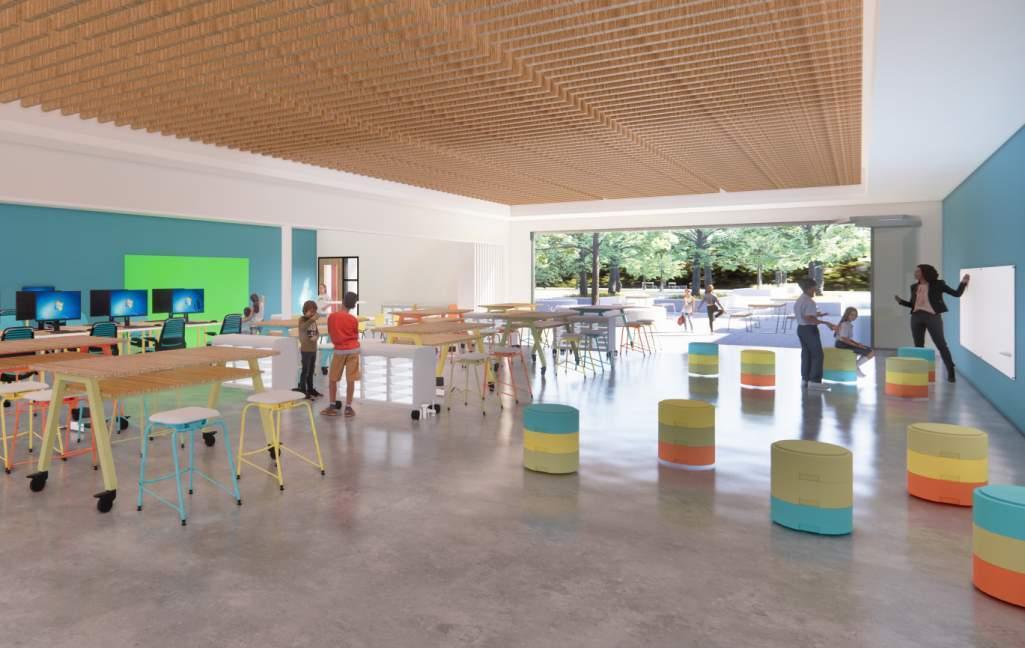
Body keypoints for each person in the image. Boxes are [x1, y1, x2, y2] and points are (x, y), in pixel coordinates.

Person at [894, 264, 970, 382]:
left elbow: (956, 294)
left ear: (925, 273)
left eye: (918, 271)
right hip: (916, 317)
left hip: (932, 317)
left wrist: (963, 283)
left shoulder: (938, 284)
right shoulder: (914, 286)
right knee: (918, 346)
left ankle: (950, 371)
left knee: (941, 345)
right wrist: (901, 302)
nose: (915, 273)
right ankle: (919, 373)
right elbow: (913, 305)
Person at [321, 291, 360, 418]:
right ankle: (348, 408)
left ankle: (332, 406)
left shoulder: (332, 317)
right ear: (353, 305)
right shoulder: (353, 319)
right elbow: (355, 335)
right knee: (350, 379)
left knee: (333, 379)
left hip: (339, 350)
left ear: (343, 301)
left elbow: (330, 332)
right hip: (353, 350)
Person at [795, 277, 836, 391]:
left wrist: (817, 314)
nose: (815, 291)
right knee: (817, 355)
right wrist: (826, 323)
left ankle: (805, 379)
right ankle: (814, 381)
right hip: (809, 330)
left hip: (801, 329)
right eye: (814, 289)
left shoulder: (800, 300)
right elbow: (809, 318)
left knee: (806, 354)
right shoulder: (810, 302)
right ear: (809, 288)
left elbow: (805, 314)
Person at [834, 307, 874, 376]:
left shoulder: (848, 324)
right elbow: (844, 339)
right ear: (847, 315)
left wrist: (857, 343)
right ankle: (854, 367)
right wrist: (857, 345)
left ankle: (854, 366)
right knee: (870, 352)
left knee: (870, 351)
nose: (854, 316)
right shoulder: (844, 324)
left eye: (855, 315)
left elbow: (847, 338)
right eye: (852, 314)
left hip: (844, 343)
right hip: (842, 345)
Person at [294, 300, 321, 399]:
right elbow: (303, 328)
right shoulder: (302, 320)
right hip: (306, 350)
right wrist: (312, 319)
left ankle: (310, 389)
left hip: (313, 349)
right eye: (311, 311)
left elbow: (317, 332)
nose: (313, 314)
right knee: (305, 371)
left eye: (314, 311)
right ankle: (302, 389)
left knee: (311, 371)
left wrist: (317, 336)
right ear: (305, 311)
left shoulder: (313, 321)